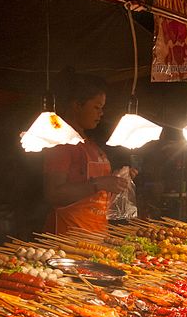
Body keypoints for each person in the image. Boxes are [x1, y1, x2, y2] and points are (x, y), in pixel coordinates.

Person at [42, 69, 131, 234]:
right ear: (77, 105)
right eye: (97, 107)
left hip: (95, 234)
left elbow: (97, 193)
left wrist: (117, 180)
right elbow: (53, 193)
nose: (101, 113)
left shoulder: (91, 145)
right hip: (67, 237)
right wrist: (100, 183)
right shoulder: (62, 143)